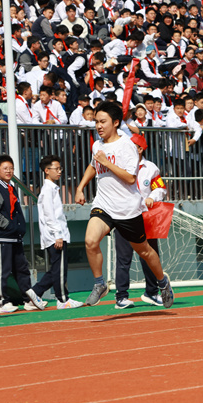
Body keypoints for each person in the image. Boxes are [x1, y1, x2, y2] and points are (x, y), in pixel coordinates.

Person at [75, 101, 174, 309]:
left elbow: (130, 178)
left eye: (103, 121)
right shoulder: (97, 145)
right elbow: (93, 166)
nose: (98, 126)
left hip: (127, 210)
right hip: (104, 205)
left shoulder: (127, 145)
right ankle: (100, 284)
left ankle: (162, 282)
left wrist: (106, 162)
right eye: (96, 122)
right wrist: (80, 187)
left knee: (145, 251)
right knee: (90, 241)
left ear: (115, 122)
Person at [114, 134, 169, 308]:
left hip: (145, 217)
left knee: (151, 255)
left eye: (131, 146)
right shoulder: (119, 165)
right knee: (123, 258)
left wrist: (153, 196)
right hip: (123, 216)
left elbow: (160, 188)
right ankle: (121, 296)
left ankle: (151, 292)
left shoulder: (150, 168)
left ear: (140, 149)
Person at [0, 155, 47, 313]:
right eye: (5, 168)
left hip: (15, 237)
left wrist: (18, 228)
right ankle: (1, 302)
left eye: (11, 168)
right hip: (3, 236)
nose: (9, 171)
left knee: (22, 269)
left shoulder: (11, 187)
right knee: (2, 270)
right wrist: (9, 226)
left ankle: (28, 299)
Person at [32, 155, 83, 309]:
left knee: (57, 269)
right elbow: (49, 215)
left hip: (57, 235)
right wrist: (58, 235)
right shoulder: (48, 190)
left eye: (60, 168)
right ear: (47, 171)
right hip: (55, 236)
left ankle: (34, 293)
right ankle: (62, 299)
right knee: (59, 269)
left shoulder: (52, 189)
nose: (60, 171)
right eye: (57, 169)